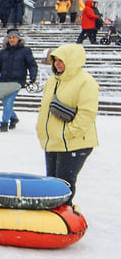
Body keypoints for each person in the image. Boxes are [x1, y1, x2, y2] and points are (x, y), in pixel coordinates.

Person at [36, 44, 98, 202]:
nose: (57, 63)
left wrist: (68, 133)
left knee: (64, 184)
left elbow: (87, 113)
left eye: (61, 60)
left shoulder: (86, 82)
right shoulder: (53, 81)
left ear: (72, 60)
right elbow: (45, 108)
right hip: (53, 140)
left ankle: (64, 216)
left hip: (74, 142)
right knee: (52, 183)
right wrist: (41, 129)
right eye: (55, 59)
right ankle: (53, 214)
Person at [0, 28, 38, 133]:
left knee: (9, 101)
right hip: (4, 81)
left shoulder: (25, 51)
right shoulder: (3, 52)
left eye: (13, 37)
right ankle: (14, 118)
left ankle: (4, 123)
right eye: (10, 38)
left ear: (18, 39)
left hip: (17, 81)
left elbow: (32, 65)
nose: (11, 40)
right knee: (5, 101)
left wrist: (32, 77)